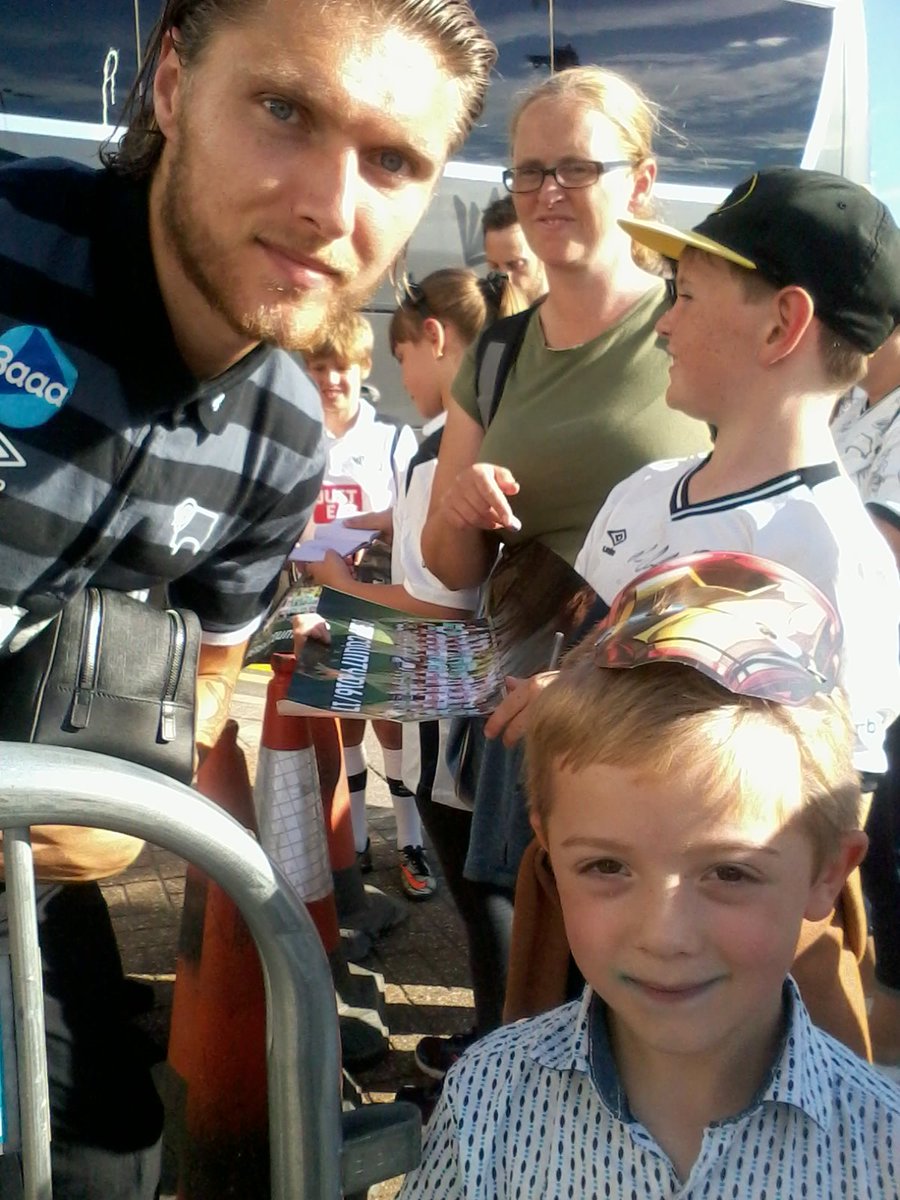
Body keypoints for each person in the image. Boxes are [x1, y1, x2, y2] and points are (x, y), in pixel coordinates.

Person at [0, 0, 495, 1193]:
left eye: (392, 160)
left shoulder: (282, 437)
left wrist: (117, 812)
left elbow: (209, 679)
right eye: (283, 109)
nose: (333, 205)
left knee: (107, 1159)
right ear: (170, 87)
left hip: (17, 878)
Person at [399, 554, 900, 1200]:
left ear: (827, 875)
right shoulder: (486, 1101)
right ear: (549, 855)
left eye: (729, 872)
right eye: (606, 867)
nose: (664, 936)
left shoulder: (882, 1152)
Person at [417, 66, 711, 1060]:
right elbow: (450, 566)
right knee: (529, 961)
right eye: (529, 170)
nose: (545, 192)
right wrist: (459, 507)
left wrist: (593, 672)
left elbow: (745, 547)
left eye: (575, 167)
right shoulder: (494, 355)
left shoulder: (696, 327)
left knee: (648, 975)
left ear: (639, 180)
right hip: (519, 717)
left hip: (665, 713)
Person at [304, 268, 522, 924]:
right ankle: (373, 847)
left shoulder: (437, 454)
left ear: (435, 338)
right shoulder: (507, 430)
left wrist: (340, 586)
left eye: (401, 357)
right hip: (495, 683)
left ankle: (387, 853)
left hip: (446, 691)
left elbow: (442, 605)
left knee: (481, 897)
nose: (402, 377)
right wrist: (381, 523)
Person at [298, 315, 430, 896]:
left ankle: (410, 840)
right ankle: (352, 841)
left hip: (376, 593)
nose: (332, 379)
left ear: (364, 368)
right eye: (319, 367)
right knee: (340, 719)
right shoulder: (296, 437)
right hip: (315, 595)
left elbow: (416, 514)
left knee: (390, 719)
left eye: (342, 367)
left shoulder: (395, 438)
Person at [831, 327, 900, 1062]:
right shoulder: (847, 400)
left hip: (879, 694)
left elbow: (877, 549)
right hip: (830, 690)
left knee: (870, 888)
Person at [481, 195, 547, 305]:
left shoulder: (578, 316)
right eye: (494, 267)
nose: (505, 279)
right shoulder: (484, 318)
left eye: (516, 265)